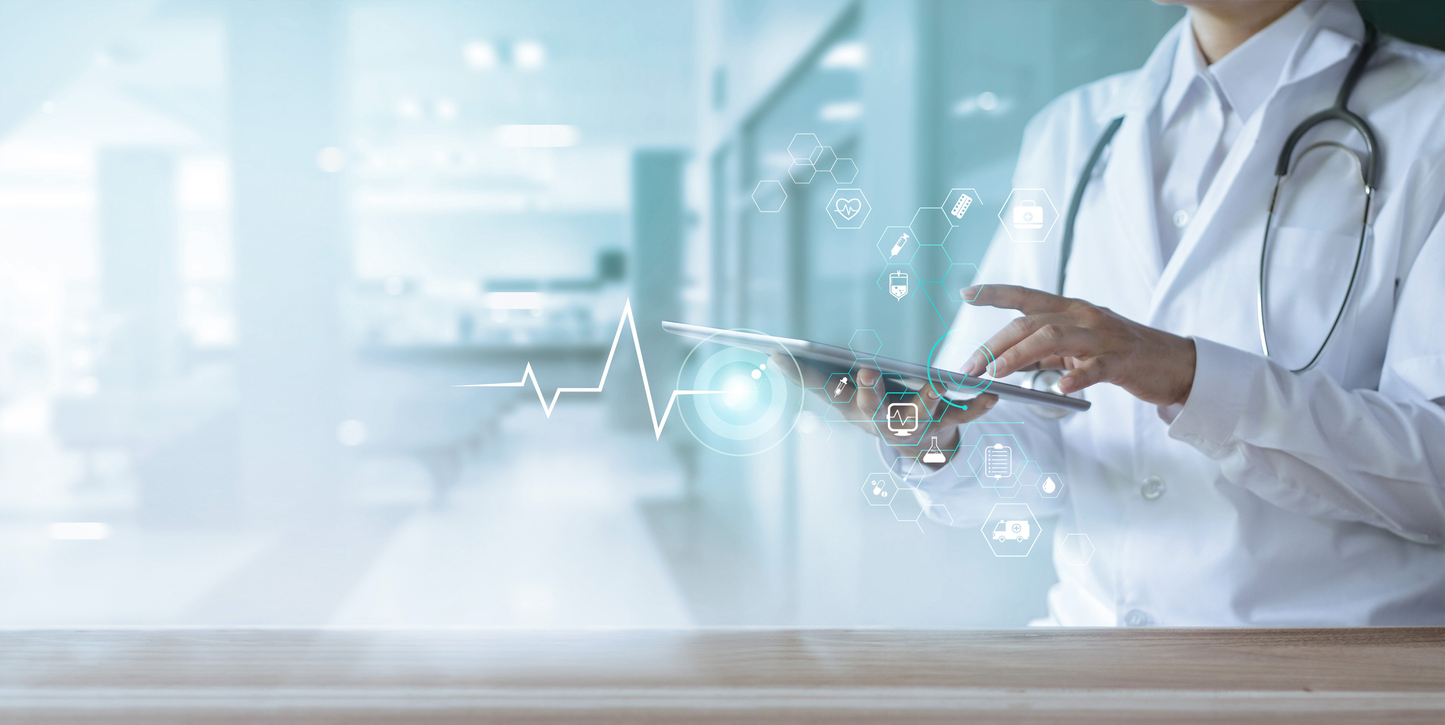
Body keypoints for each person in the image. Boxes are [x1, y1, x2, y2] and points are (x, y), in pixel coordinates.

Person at [805, 0, 1445, 626]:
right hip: (1091, 654)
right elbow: (1031, 441)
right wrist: (935, 443)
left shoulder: (1430, 117)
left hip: (1328, 666)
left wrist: (1189, 378)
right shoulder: (1075, 130)